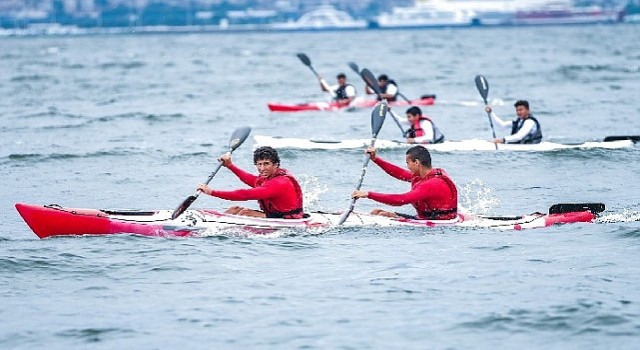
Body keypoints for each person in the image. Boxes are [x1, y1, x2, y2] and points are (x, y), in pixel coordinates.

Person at [351, 145, 458, 220]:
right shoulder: (424, 175)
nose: (407, 166)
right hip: (426, 219)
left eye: (408, 163)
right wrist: (375, 159)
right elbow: (399, 173)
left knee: (381, 215)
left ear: (416, 162)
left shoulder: (431, 184)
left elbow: (401, 200)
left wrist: (368, 194)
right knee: (376, 212)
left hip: (439, 222)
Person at [197, 146, 305, 219]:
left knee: (245, 213)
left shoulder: (280, 183)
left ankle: (215, 228)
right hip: (274, 215)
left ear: (276, 165)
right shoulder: (268, 178)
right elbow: (251, 180)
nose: (262, 168)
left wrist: (212, 192)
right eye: (259, 164)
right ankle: (213, 225)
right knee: (234, 209)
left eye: (266, 164)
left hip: (287, 219)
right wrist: (230, 166)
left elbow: (245, 194)